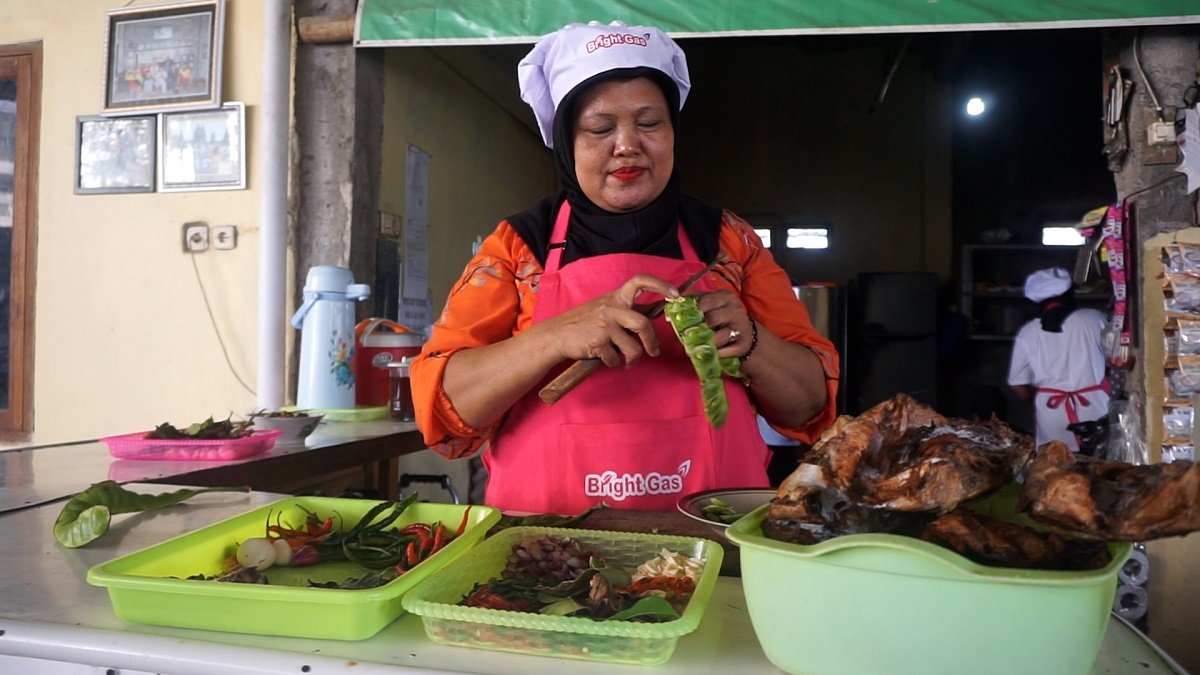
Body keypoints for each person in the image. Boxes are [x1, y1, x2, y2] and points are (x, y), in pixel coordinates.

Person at [410, 21, 839, 514]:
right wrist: (552, 338)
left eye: (650, 123)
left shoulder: (728, 243)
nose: (627, 144)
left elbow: (810, 404)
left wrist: (752, 342)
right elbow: (445, 411)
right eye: (600, 127)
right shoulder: (516, 248)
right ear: (567, 139)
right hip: (546, 552)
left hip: (715, 544)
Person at [1007, 267, 1110, 453]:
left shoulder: (1027, 332)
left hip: (1051, 417)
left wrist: (1041, 399)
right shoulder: (1094, 319)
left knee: (1055, 469)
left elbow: (1018, 386)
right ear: (1069, 293)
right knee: (1101, 467)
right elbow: (1118, 357)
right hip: (1095, 410)